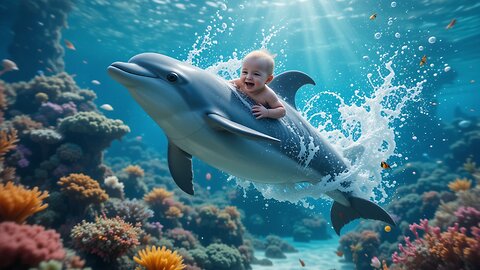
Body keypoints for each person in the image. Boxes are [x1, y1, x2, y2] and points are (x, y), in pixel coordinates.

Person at [230, 50, 286, 119]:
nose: (248, 77)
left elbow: (282, 111)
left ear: (268, 79)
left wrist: (267, 112)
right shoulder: (239, 83)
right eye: (245, 72)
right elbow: (226, 84)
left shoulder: (267, 94)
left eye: (256, 74)